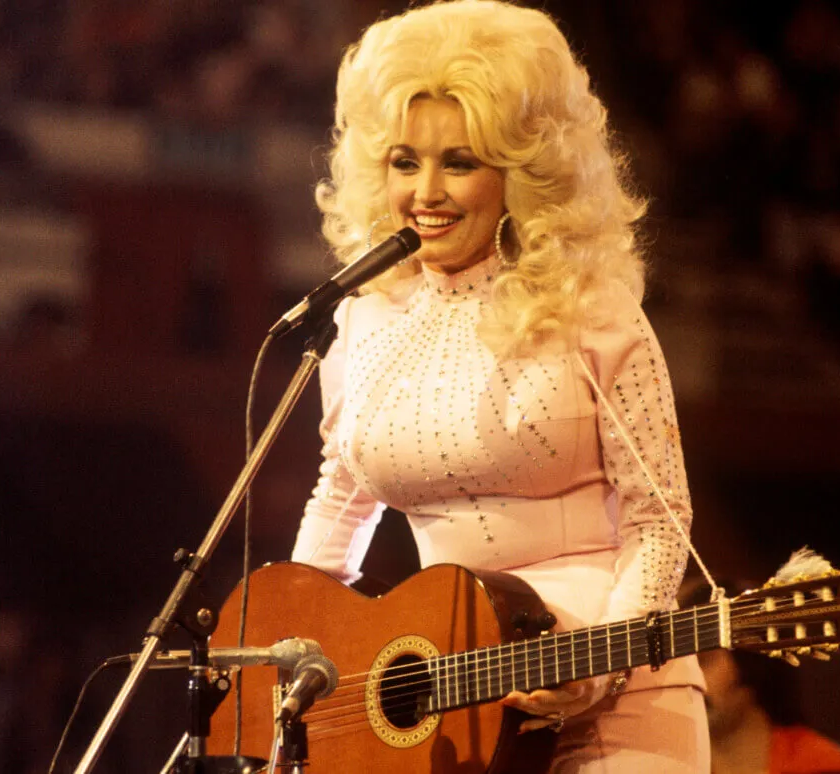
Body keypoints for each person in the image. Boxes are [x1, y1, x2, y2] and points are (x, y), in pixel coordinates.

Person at [290, 1, 708, 771]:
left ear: (521, 171)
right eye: (404, 161)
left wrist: (599, 666)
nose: (428, 191)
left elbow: (661, 519)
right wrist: (301, 655)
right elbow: (342, 493)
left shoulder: (593, 310)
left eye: (461, 161)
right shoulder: (363, 318)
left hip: (620, 694)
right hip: (455, 708)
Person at [679, 580, 840, 774]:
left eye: (703, 661)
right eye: (678, 667)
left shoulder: (821, 766)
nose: (687, 681)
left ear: (750, 661)